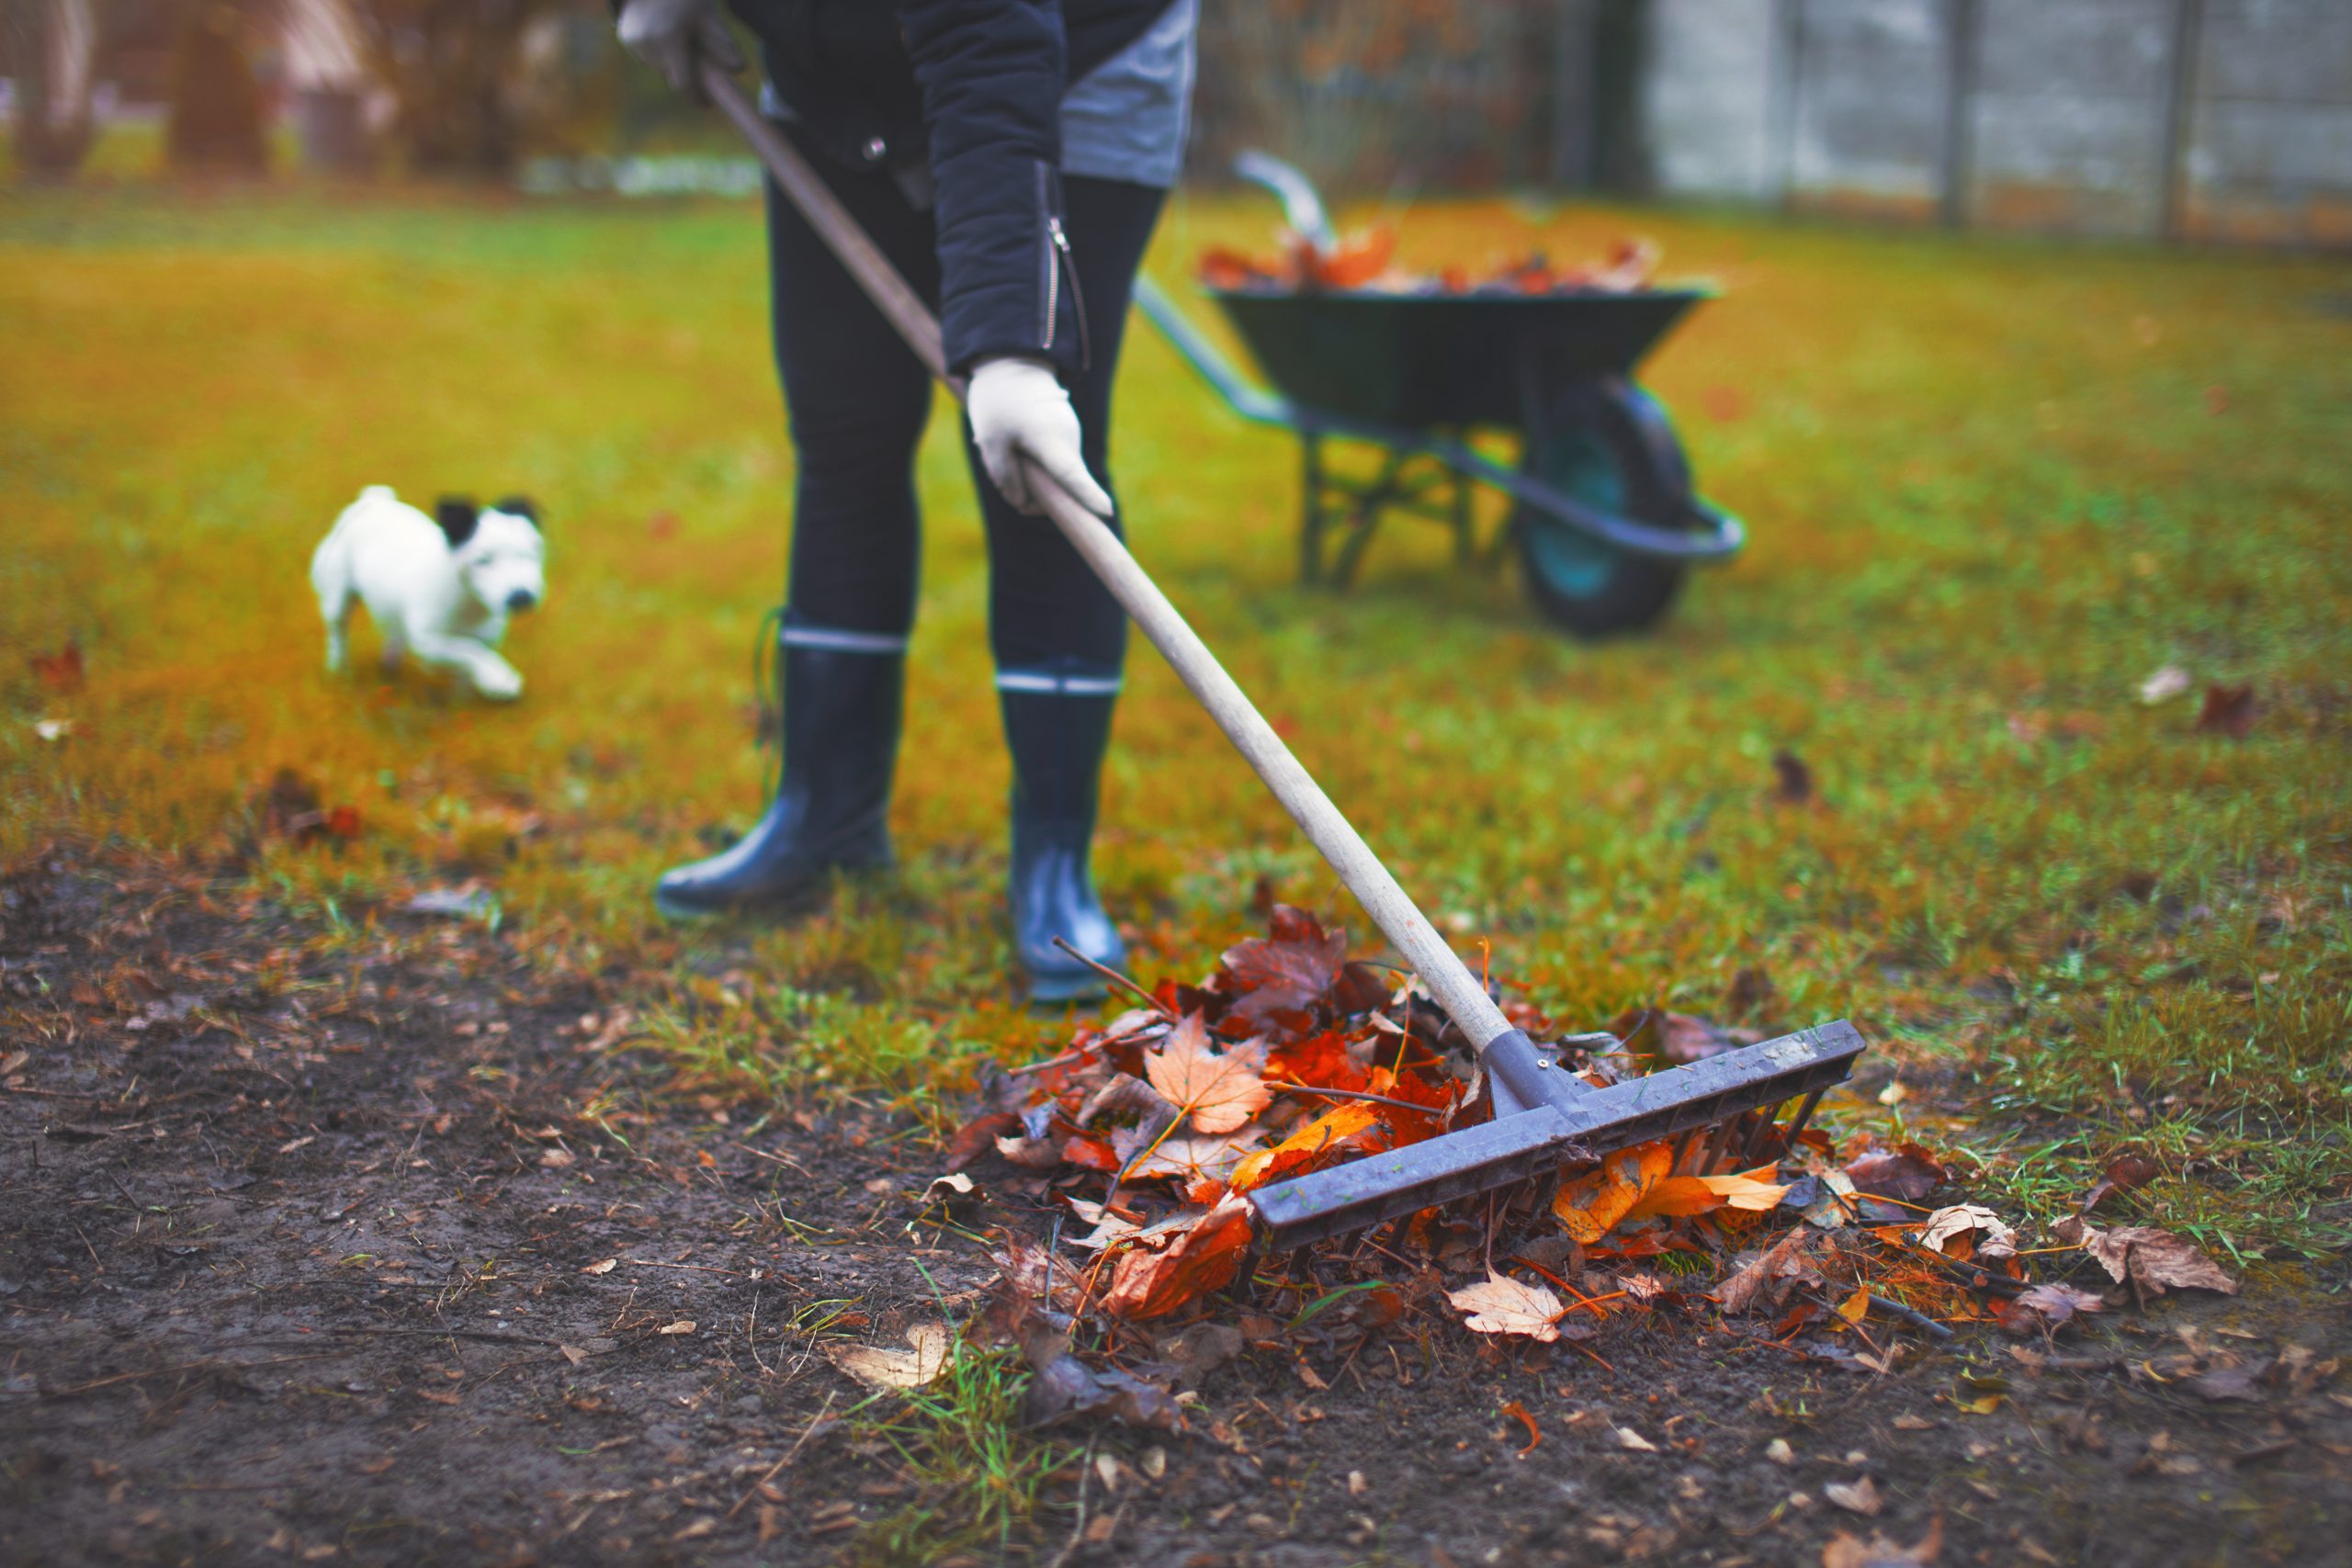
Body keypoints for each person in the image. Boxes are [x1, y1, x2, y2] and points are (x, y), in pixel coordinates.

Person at [615, 0, 1197, 1003]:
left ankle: (1054, 862)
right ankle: (827, 815)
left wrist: (1015, 350)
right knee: (844, 434)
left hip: (1077, 60)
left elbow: (988, 57)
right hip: (836, 79)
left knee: (1041, 464)